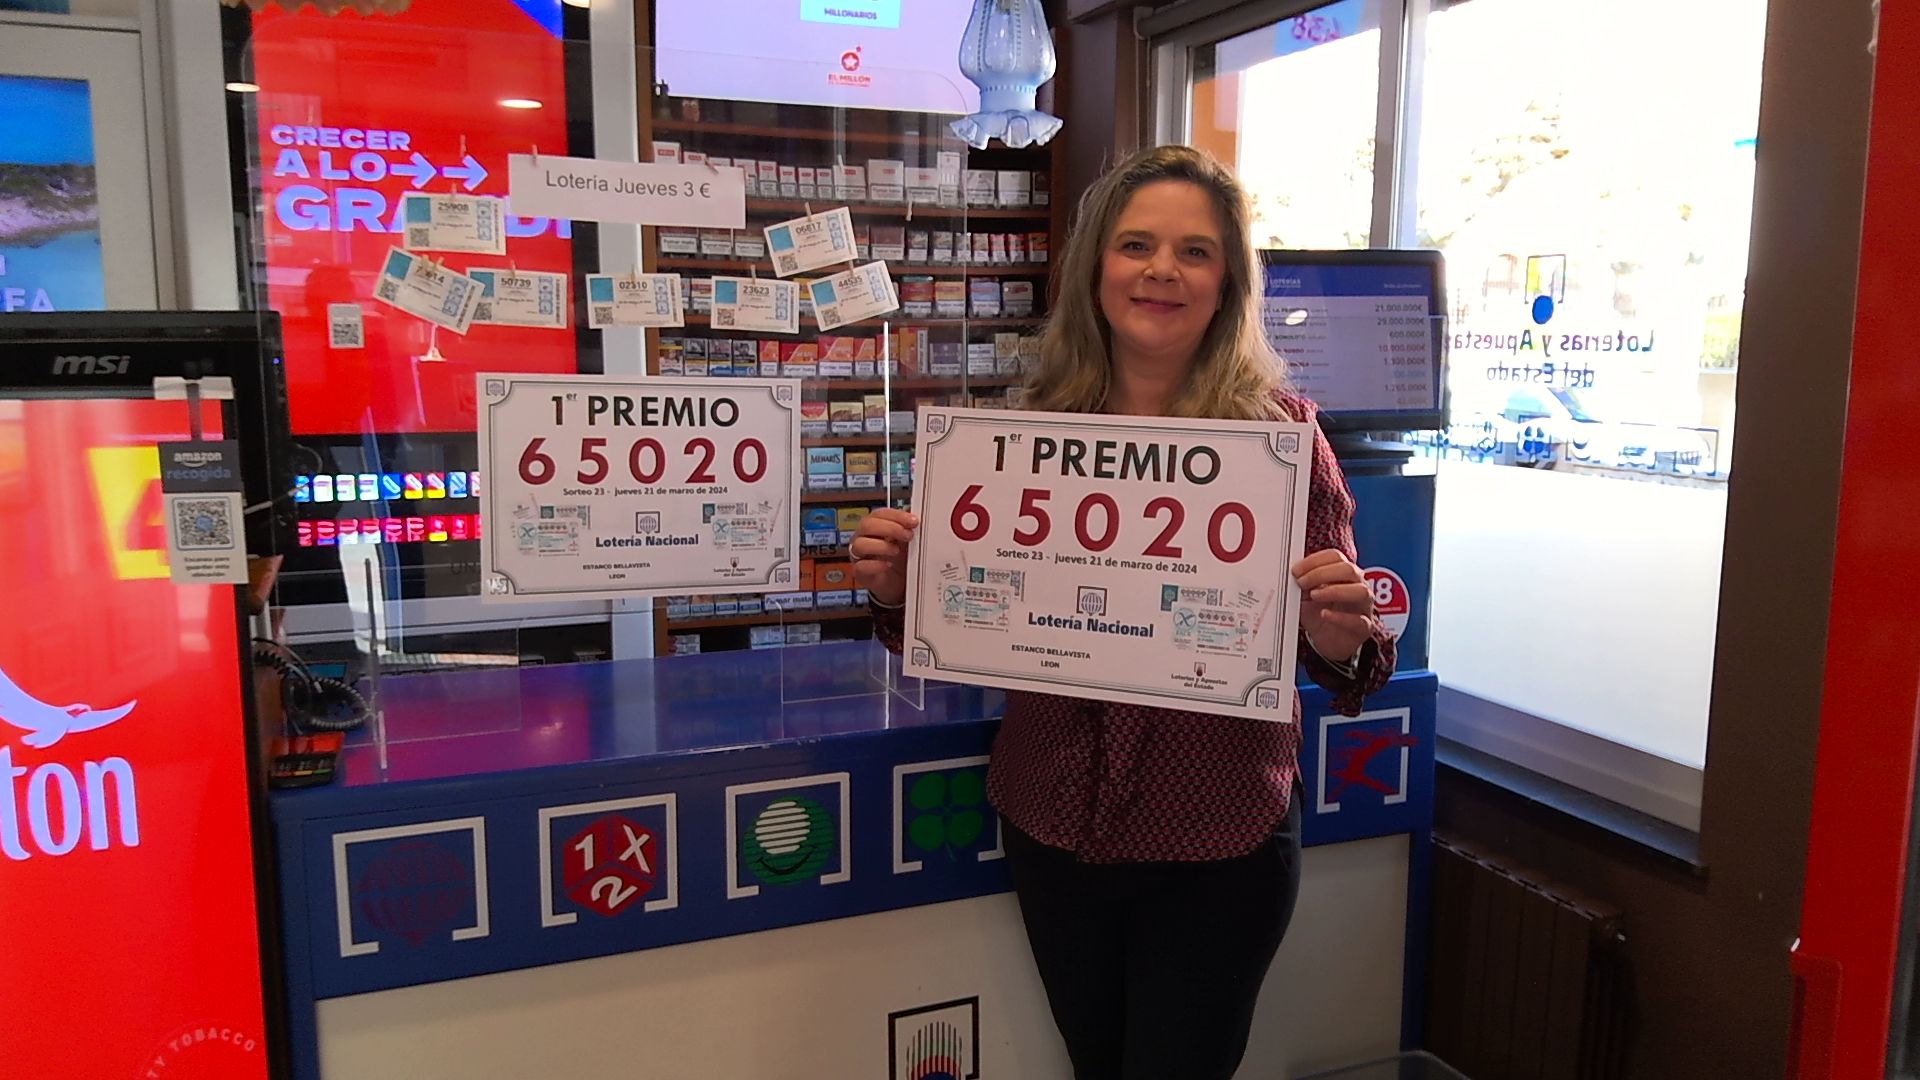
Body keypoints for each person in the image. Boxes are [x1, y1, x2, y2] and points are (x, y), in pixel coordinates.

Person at [850, 144, 1397, 1080]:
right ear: (1096, 266)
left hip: (1218, 840)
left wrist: (1337, 636)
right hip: (1052, 820)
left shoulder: (1282, 443)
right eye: (1136, 244)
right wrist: (898, 591)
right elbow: (959, 623)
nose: (1161, 271)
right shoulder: (1021, 437)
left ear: (1228, 280)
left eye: (1195, 251)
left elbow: (1347, 656)